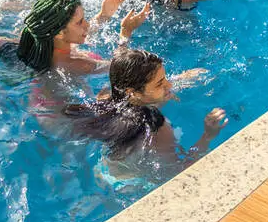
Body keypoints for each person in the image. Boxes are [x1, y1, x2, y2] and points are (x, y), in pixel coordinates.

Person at [64, 48, 227, 166]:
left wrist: (179, 81)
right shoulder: (156, 128)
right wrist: (208, 135)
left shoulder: (105, 97)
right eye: (160, 83)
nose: (169, 84)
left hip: (106, 171)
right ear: (132, 91)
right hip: (137, 183)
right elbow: (181, 169)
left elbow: (137, 100)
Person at [13, 0, 149, 75]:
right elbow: (122, 68)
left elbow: (83, 30)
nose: (87, 24)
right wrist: (126, 32)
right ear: (59, 33)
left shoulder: (45, 45)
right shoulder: (80, 65)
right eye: (80, 22)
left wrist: (104, 14)